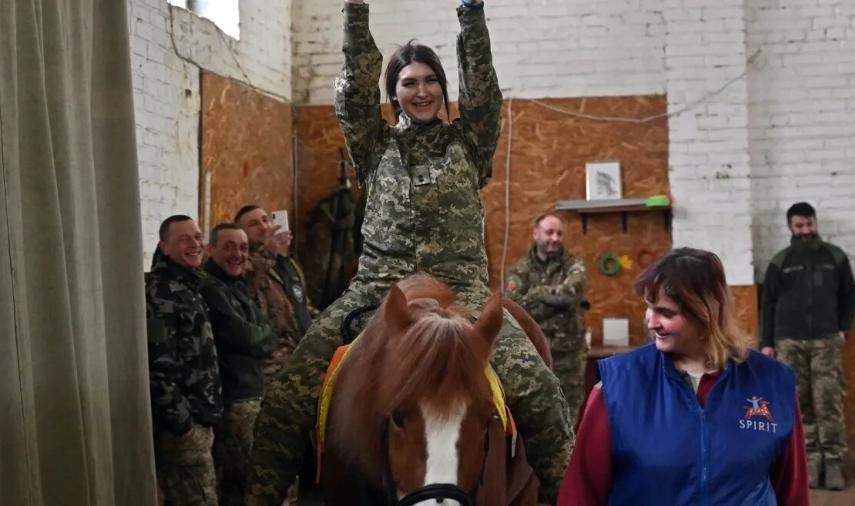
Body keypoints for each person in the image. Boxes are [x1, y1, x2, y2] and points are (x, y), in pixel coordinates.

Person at [246, 1, 574, 504]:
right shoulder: (374, 146)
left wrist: (471, 15)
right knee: (287, 396)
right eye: (408, 83)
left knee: (541, 391)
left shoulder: (470, 141)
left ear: (442, 88)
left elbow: (484, 89)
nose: (421, 91)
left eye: (429, 81)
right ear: (394, 93)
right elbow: (353, 93)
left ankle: (567, 495)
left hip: (462, 291)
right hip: (377, 291)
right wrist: (356, 15)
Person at [559, 248, 809, 506]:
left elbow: (793, 492)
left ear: (707, 314)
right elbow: (580, 494)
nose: (651, 322)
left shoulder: (773, 383)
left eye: (666, 313)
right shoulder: (617, 386)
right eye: (649, 307)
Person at [760, 202, 855, 490]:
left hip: (826, 341)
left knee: (829, 402)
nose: (805, 230)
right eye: (799, 226)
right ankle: (810, 464)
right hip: (788, 342)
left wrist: (843, 329)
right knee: (799, 405)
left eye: (809, 224)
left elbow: (849, 297)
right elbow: (768, 305)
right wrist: (767, 343)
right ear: (790, 227)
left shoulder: (835, 257)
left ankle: (835, 464)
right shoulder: (781, 261)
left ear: (815, 223)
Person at [145, 215, 221, 506]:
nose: (195, 244)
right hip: (183, 432)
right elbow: (158, 367)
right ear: (164, 247)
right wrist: (183, 425)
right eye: (184, 239)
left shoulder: (188, 287)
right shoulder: (161, 292)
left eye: (197, 236)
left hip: (201, 423)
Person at [199, 224, 276, 506]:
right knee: (239, 481)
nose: (238, 254)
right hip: (234, 399)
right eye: (229, 246)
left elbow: (267, 331)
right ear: (211, 249)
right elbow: (242, 335)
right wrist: (262, 337)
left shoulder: (238, 286)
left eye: (243, 248)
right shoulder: (210, 287)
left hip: (254, 391)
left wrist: (262, 337)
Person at [507, 213, 587, 424]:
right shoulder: (520, 270)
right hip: (533, 356)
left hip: (568, 358)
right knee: (536, 417)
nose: (555, 238)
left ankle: (570, 458)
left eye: (559, 233)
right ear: (535, 234)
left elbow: (570, 295)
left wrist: (535, 293)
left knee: (568, 418)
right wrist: (553, 300)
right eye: (549, 232)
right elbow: (514, 307)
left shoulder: (573, 265)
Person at [236, 205, 316, 378]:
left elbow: (303, 305)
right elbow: (250, 282)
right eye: (253, 224)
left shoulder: (287, 264)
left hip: (303, 353)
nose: (264, 227)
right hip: (273, 364)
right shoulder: (242, 263)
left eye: (266, 220)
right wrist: (269, 252)